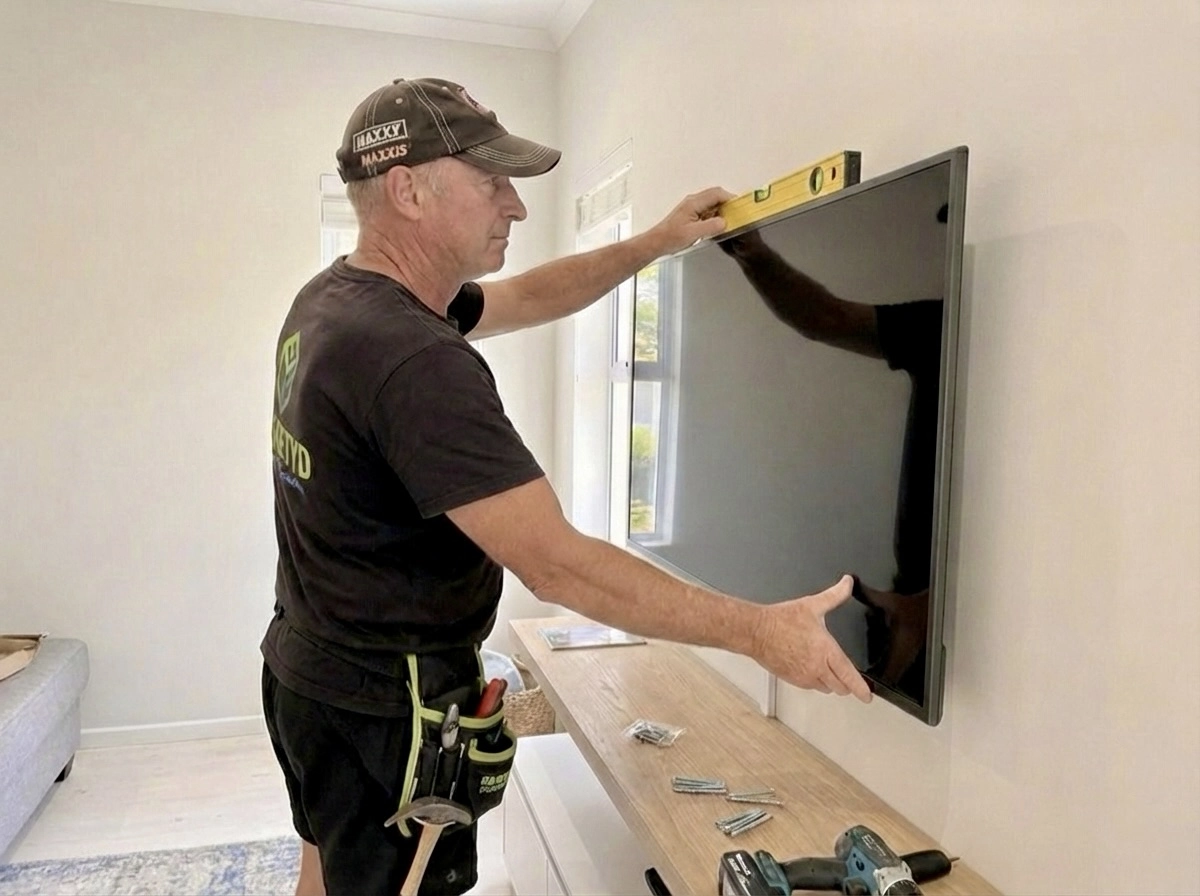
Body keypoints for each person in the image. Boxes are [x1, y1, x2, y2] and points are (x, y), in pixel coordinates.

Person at [263, 76, 872, 896]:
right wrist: (761, 632)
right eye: (491, 182)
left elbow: (527, 297)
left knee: (328, 872)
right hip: (385, 708)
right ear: (407, 189)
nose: (513, 205)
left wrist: (652, 242)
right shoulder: (415, 362)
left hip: (307, 667)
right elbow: (560, 568)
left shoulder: (338, 300)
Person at [718, 225, 946, 696]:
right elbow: (823, 318)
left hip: (938, 613)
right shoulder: (935, 325)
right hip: (906, 600)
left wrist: (930, 606)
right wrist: (754, 256)